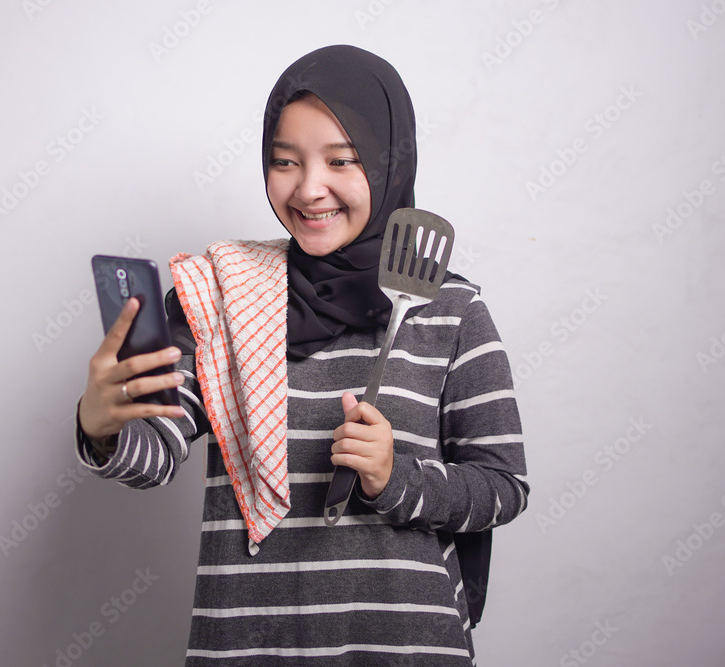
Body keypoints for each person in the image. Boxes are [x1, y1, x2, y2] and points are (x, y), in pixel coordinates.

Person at [75, 44, 529, 665]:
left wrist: (395, 479)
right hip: (248, 645)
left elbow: (503, 487)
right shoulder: (221, 295)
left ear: (390, 160)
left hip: (406, 649)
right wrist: (101, 425)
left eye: (342, 160)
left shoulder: (450, 309)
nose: (309, 188)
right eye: (284, 162)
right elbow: (151, 458)